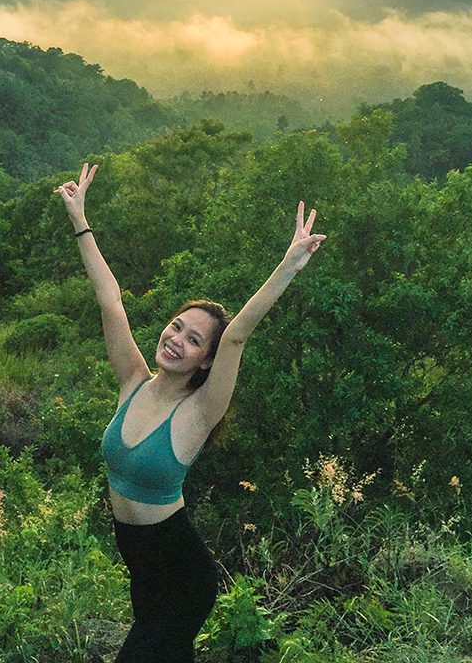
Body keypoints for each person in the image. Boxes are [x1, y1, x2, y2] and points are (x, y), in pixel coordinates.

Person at [55, 163, 326, 663]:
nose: (176, 340)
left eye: (194, 340)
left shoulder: (200, 411)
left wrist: (288, 265)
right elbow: (110, 300)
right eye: (176, 326)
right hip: (140, 567)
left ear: (206, 360)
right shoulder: (133, 381)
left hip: (181, 576)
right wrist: (80, 218)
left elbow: (239, 333)